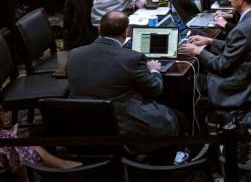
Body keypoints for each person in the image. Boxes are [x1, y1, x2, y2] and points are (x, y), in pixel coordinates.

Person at [67, 11, 180, 139]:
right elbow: (155, 89)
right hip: (121, 123)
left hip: (82, 123)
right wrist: (154, 71)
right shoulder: (132, 58)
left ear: (99, 29)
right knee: (172, 118)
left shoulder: (74, 54)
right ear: (126, 33)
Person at [181, 0, 251, 108]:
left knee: (184, 83)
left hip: (234, 84)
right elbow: (238, 47)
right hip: (248, 73)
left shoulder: (243, 29)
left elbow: (221, 65)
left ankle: (195, 124)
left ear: (240, 0)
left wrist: (198, 51)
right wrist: (210, 41)